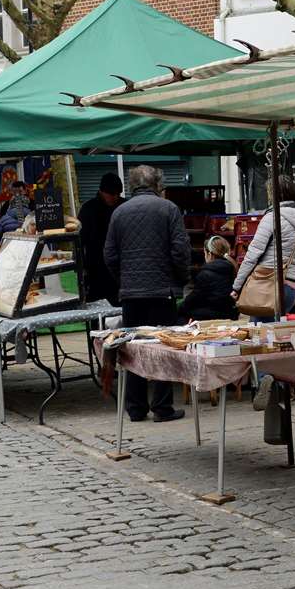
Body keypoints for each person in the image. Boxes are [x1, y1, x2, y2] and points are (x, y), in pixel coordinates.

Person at [104, 165, 189, 423]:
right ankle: (162, 407)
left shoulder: (119, 213)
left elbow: (109, 255)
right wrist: (179, 278)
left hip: (131, 293)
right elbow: (180, 250)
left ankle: (135, 407)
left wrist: (125, 279)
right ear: (157, 184)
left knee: (134, 349)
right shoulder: (169, 209)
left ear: (132, 185)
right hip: (162, 291)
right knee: (162, 348)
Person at [232, 176, 295, 314]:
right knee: (278, 331)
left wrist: (237, 286)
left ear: (272, 195)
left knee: (261, 330)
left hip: (267, 283)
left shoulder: (271, 218)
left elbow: (253, 255)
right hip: (293, 286)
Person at [77, 172, 125, 306]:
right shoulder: (88, 209)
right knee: (97, 308)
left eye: (118, 194)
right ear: (102, 191)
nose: (115, 197)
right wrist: (83, 267)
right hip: (95, 269)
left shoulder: (124, 206)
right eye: (111, 194)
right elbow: (80, 240)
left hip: (120, 268)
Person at [181, 236, 238, 321]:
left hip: (211, 314)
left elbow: (195, 297)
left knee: (183, 313)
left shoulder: (206, 273)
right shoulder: (232, 268)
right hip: (230, 313)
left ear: (209, 254)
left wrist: (181, 307)